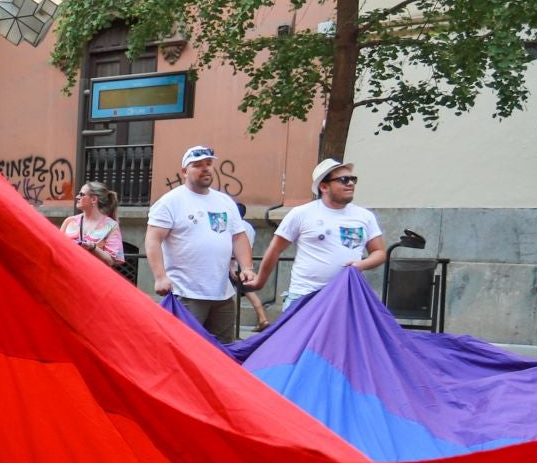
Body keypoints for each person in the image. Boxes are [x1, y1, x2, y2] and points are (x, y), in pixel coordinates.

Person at [252, 158, 387, 317]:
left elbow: (379, 252)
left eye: (353, 179)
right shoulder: (301, 213)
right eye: (344, 179)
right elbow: (275, 249)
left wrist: (361, 264)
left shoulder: (364, 216)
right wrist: (260, 281)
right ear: (324, 187)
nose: (351, 183)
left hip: (345, 299)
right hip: (305, 297)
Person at [147, 145, 254, 341]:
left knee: (222, 351)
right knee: (186, 347)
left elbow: (238, 237)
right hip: (186, 293)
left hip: (222, 294)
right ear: (184, 171)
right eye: (197, 165)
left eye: (209, 163)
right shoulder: (170, 201)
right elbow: (153, 239)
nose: (205, 168)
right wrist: (160, 277)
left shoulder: (225, 201)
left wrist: (247, 267)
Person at [61, 182, 124, 266]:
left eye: (82, 194)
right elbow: (57, 247)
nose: (77, 197)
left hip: (93, 272)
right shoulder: (70, 221)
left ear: (94, 199)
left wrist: (93, 247)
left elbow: (110, 261)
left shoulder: (111, 225)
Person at [232, 201, 270, 331]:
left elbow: (232, 247)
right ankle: (263, 319)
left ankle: (261, 320)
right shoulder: (248, 226)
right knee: (249, 292)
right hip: (245, 265)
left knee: (227, 295)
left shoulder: (234, 226)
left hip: (233, 265)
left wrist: (231, 266)